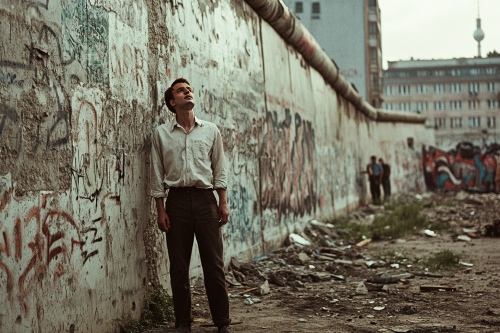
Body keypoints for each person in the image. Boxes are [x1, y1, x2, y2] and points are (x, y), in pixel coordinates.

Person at [150, 78, 231, 333]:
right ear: (172, 102)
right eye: (181, 90)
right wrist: (160, 209)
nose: (187, 92)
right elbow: (156, 172)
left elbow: (219, 168)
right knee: (178, 268)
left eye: (189, 89)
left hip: (206, 200)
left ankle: (222, 324)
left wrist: (223, 202)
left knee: (214, 266)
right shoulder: (162, 133)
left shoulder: (211, 130)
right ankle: (183, 323)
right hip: (176, 204)